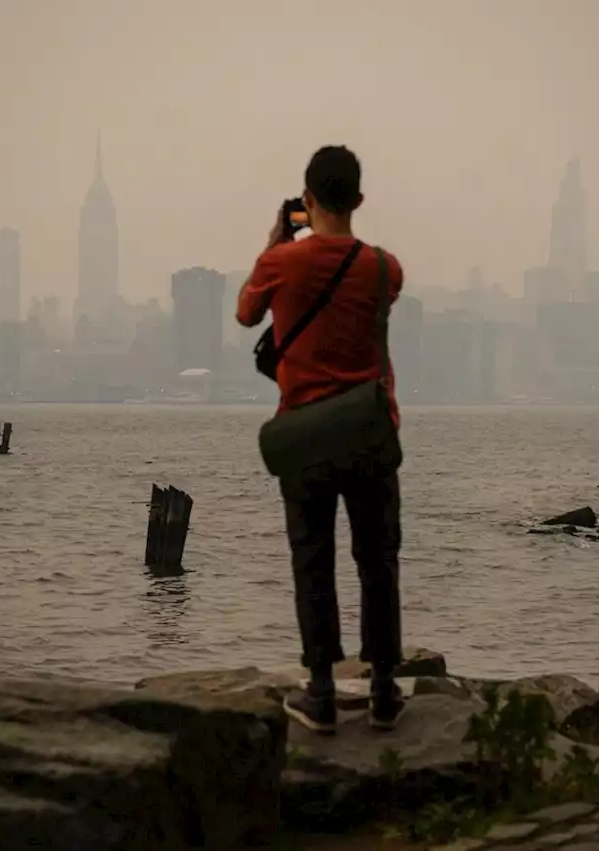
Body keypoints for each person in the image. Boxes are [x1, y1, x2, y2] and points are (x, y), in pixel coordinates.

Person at [236, 145, 406, 734]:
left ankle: (323, 694)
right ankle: (385, 692)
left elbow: (244, 314)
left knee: (314, 563)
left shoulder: (282, 263)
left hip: (305, 433)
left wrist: (278, 240)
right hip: (369, 430)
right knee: (378, 562)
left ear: (307, 200)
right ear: (358, 199)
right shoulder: (386, 268)